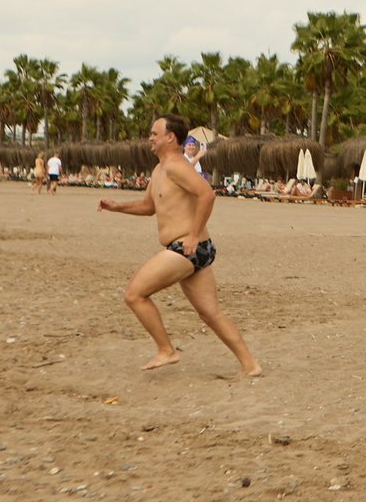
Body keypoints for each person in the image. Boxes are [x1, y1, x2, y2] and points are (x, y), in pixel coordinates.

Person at [96, 115, 264, 375]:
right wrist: (116, 206)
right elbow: (148, 206)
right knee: (210, 314)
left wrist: (194, 235)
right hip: (191, 250)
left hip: (187, 248)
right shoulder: (159, 169)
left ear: (170, 137)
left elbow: (206, 194)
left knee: (134, 294)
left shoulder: (176, 165)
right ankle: (250, 365)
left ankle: (166, 350)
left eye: (154, 133)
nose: (150, 137)